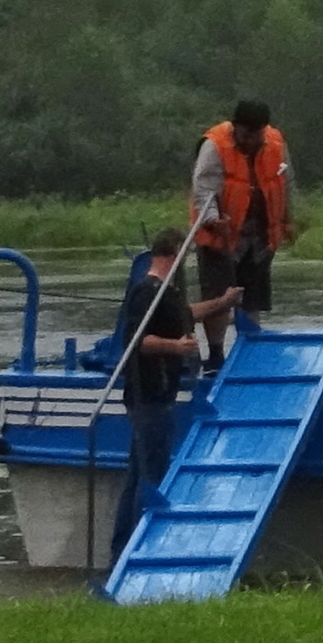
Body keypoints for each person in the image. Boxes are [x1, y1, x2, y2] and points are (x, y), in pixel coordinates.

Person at [107, 227, 204, 565]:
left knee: (138, 473)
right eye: (184, 254)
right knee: (151, 475)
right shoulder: (146, 292)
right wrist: (177, 347)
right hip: (150, 393)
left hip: (158, 394)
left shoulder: (166, 293)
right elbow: (137, 340)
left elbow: (185, 314)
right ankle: (139, 549)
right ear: (173, 253)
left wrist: (223, 303)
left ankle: (122, 549)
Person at [189, 99, 298, 362]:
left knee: (253, 297)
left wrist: (288, 219)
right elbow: (203, 188)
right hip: (220, 237)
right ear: (235, 127)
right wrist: (214, 220)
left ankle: (250, 352)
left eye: (257, 133)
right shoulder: (214, 145)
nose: (252, 139)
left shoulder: (276, 142)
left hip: (259, 235)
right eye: (247, 133)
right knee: (218, 297)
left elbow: (285, 183)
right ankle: (216, 356)